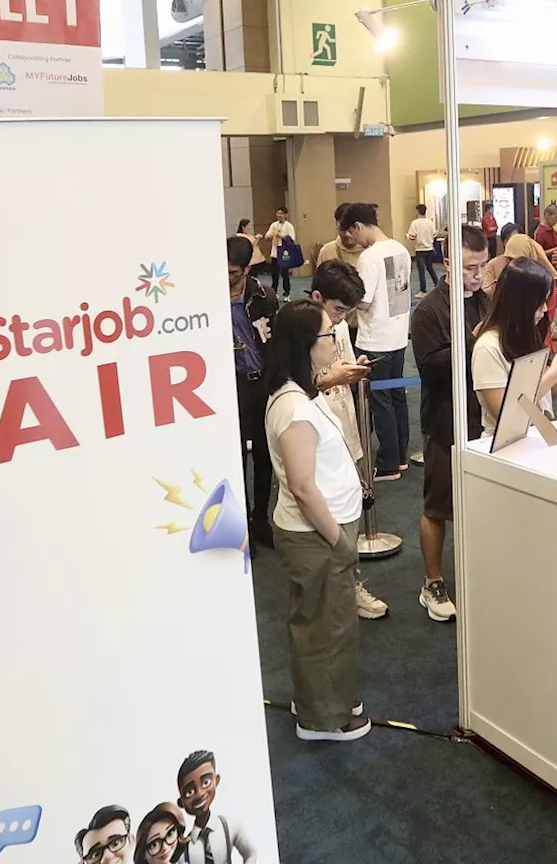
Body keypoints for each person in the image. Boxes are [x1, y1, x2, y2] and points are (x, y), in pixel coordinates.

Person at [265, 301, 370, 742]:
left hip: (322, 531)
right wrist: (338, 541)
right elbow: (304, 487)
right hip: (317, 535)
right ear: (308, 345)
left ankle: (320, 696)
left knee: (322, 619)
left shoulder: (298, 393)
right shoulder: (294, 407)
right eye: (328, 335)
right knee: (325, 626)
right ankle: (323, 718)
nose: (335, 340)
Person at [410, 225, 490, 621]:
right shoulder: (428, 311)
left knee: (483, 503)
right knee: (438, 506)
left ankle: (478, 575)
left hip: (486, 417)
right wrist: (473, 342)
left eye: (482, 265)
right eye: (469, 267)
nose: (477, 275)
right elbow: (431, 369)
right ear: (447, 264)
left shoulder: (486, 300)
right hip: (445, 420)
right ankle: (433, 582)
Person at [308, 261, 387, 620]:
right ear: (317, 297)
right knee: (326, 521)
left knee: (350, 511)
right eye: (337, 310)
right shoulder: (300, 330)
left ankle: (348, 585)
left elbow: (334, 368)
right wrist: (330, 378)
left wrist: (351, 368)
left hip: (345, 425)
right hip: (316, 438)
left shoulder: (336, 329)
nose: (340, 320)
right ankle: (336, 592)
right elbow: (291, 389)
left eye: (345, 313)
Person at [472, 258, 557, 439]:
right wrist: (553, 374)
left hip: (537, 436)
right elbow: (506, 416)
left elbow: (546, 395)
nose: (544, 310)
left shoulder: (528, 335)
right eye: (539, 303)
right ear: (520, 303)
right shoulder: (487, 347)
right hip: (505, 446)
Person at [338, 202, 412, 481]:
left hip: (375, 339)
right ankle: (400, 457)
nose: (350, 240)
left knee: (378, 401)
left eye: (350, 234)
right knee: (396, 397)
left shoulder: (369, 257)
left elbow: (364, 301)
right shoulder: (400, 249)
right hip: (398, 334)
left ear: (358, 226)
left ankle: (388, 463)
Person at [229, 236, 279, 549]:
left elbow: (276, 341)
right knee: (235, 459)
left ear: (247, 269)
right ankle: (242, 526)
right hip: (230, 387)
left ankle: (261, 519)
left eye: (233, 272)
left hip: (260, 382)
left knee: (264, 456)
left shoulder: (264, 296)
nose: (227, 278)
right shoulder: (205, 298)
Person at [176, 750, 259, 862]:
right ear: (181, 802)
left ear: (216, 780)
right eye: (189, 792)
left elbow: (251, 853)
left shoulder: (230, 826)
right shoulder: (186, 848)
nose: (200, 794)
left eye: (206, 782)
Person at [317, 203, 367, 345]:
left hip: (363, 327)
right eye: (342, 229)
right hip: (334, 326)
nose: (347, 234)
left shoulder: (369, 253)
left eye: (350, 229)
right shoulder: (327, 250)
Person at [407, 203, 440, 296]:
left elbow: (412, 237)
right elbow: (434, 235)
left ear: (417, 211)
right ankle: (437, 285)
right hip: (429, 248)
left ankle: (423, 291)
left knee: (421, 271)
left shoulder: (415, 223)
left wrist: (406, 236)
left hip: (420, 250)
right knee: (430, 268)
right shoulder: (430, 222)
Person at [264, 206, 297, 299]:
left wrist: (281, 235)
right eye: (278, 213)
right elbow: (267, 235)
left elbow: (292, 239)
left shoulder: (289, 226)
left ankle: (287, 293)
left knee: (285, 274)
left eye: (281, 213)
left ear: (286, 215)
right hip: (275, 252)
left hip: (284, 253)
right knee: (274, 274)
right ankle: (274, 292)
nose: (279, 215)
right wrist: (272, 234)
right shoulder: (274, 225)